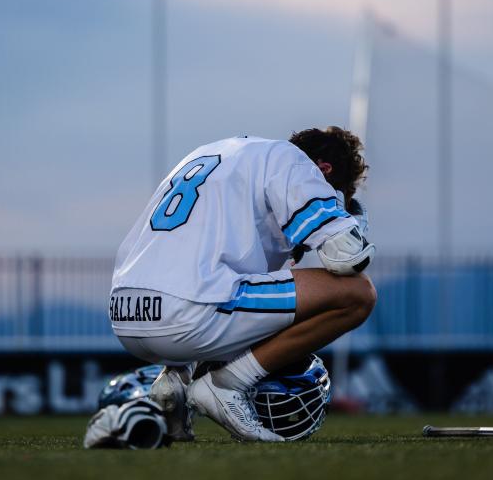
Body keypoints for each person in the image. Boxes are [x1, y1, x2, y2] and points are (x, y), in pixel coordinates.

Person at [110, 127, 377, 442]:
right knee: (358, 294)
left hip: (126, 315)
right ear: (323, 170)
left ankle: (175, 381)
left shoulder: (212, 153)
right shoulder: (293, 163)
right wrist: (349, 216)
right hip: (185, 312)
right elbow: (347, 256)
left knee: (245, 291)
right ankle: (227, 384)